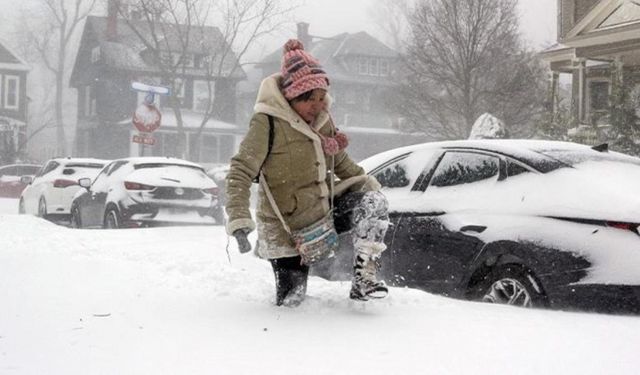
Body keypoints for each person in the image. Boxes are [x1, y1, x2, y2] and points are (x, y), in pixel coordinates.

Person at [225, 39, 390, 306]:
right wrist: (240, 220)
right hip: (285, 226)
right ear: (291, 97)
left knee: (373, 201)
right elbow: (240, 171)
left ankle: (365, 279)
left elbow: (344, 166)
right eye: (308, 99)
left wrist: (377, 191)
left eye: (320, 97)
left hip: (323, 213)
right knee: (293, 302)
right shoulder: (267, 122)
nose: (317, 105)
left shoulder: (323, 122)